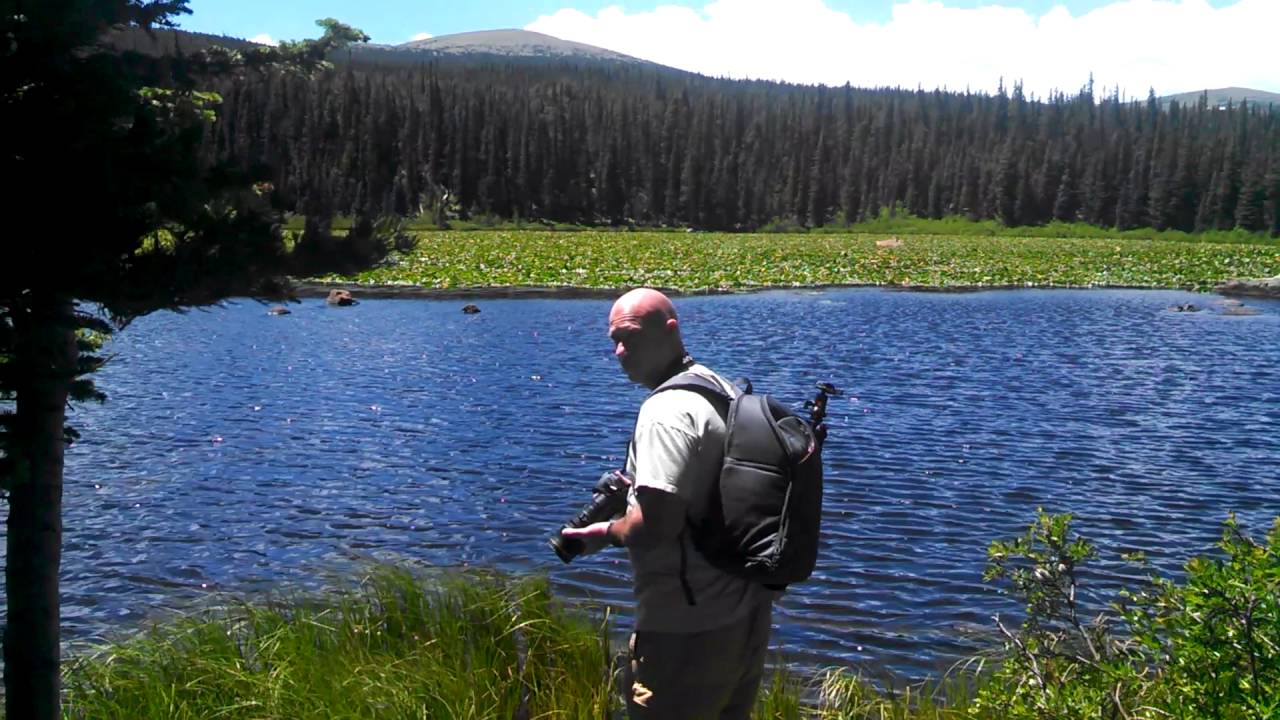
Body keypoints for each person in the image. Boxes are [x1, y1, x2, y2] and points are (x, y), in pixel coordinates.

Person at [561, 287, 774, 719]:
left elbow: (657, 526)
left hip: (685, 631)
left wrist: (605, 533)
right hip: (745, 614)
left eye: (632, 338)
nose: (621, 352)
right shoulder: (719, 386)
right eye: (615, 341)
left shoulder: (665, 412)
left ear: (670, 330)